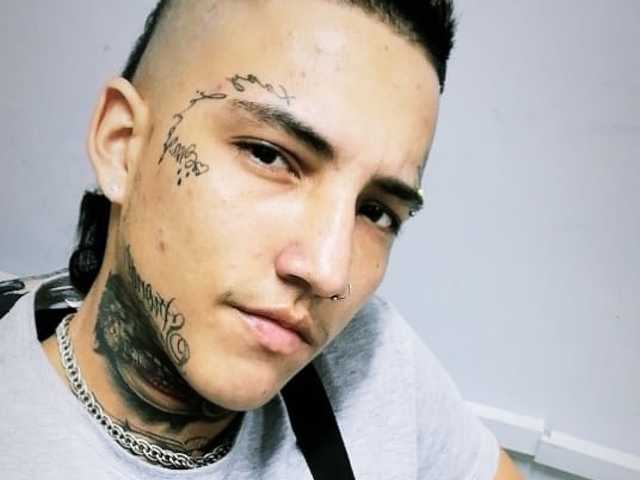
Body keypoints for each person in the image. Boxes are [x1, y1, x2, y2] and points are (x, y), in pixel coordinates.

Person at [0, 0, 522, 478]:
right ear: (122, 146)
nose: (328, 271)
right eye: (269, 156)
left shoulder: (377, 363)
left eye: (376, 212)